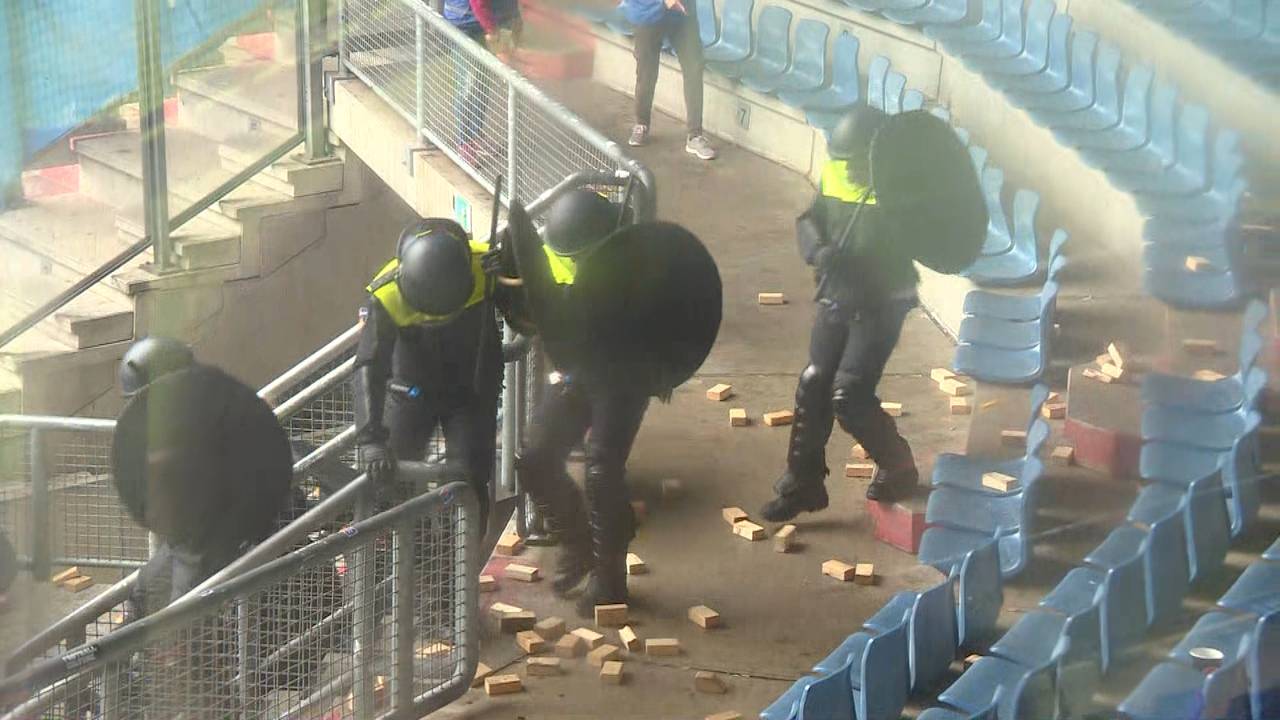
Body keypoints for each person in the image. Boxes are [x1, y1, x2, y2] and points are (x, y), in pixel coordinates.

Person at [497, 190, 721, 618]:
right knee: (536, 456)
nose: (578, 264)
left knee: (602, 468)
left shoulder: (643, 258)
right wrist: (510, 285)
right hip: (581, 366)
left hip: (627, 371)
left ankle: (610, 577)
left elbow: (674, 312)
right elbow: (544, 312)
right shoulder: (561, 253)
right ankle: (578, 541)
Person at [760, 106, 920, 522]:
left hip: (881, 302)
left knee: (848, 394)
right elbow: (811, 219)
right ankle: (803, 482)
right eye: (842, 161)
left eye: (854, 163)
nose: (846, 170)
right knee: (814, 381)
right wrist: (819, 249)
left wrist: (857, 260)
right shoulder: (834, 173)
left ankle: (899, 464)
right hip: (839, 295)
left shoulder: (901, 189)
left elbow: (903, 252)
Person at [353, 218, 524, 533]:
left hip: (470, 392)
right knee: (390, 481)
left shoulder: (483, 265)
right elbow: (369, 366)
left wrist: (512, 274)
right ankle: (411, 556)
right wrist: (371, 439)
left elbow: (524, 321)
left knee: (467, 481)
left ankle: (460, 563)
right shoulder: (387, 292)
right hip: (410, 391)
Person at [625, 0, 717, 160]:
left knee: (694, 65)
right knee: (646, 70)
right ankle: (642, 123)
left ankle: (695, 135)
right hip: (647, 10)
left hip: (681, 13)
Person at [445, 0, 523, 163]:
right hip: (468, 23)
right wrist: (494, 33)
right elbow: (478, 3)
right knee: (469, 84)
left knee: (481, 82)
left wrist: (513, 17)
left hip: (490, 19)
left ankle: (476, 136)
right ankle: (465, 143)